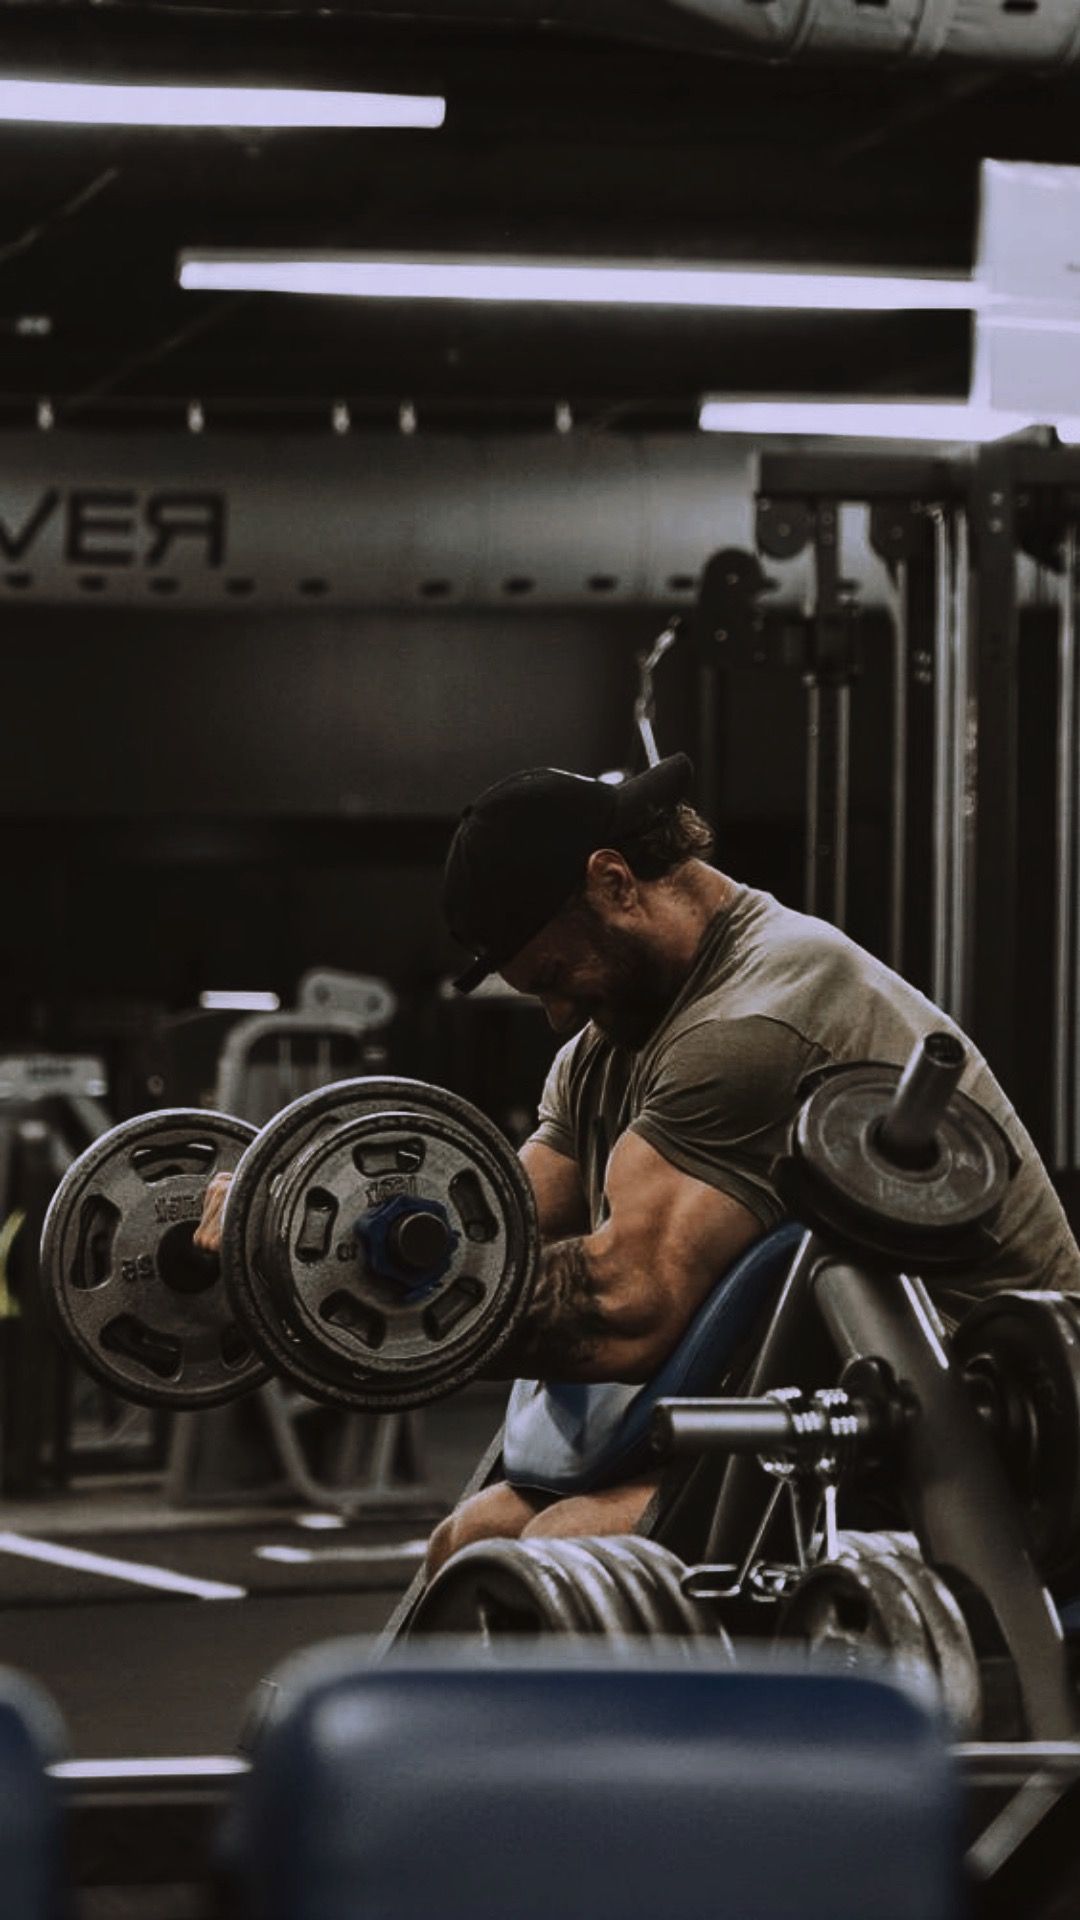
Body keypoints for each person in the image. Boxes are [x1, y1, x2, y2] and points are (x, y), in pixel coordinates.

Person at [420, 752, 1080, 1576]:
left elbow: (622, 1307)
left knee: (566, 1553)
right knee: (471, 1540)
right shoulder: (612, 1036)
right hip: (788, 1397)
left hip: (957, 1427)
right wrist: (321, 1252)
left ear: (616, 883)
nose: (557, 1016)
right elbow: (500, 1215)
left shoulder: (755, 1020)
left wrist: (411, 1323)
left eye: (556, 977)